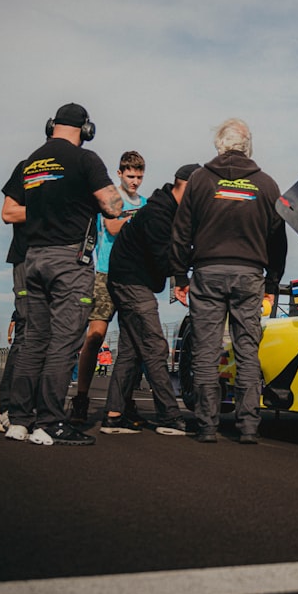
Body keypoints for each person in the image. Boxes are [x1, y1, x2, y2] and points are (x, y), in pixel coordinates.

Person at [2, 103, 122, 446]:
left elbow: (11, 210)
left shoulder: (32, 161)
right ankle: (50, 422)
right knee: (64, 342)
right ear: (86, 129)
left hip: (34, 257)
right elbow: (112, 206)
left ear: (52, 125)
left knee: (32, 342)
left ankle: (19, 420)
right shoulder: (85, 159)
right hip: (69, 260)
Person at [170, 119, 287, 444]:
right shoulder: (266, 184)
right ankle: (248, 426)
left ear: (219, 146)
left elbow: (181, 232)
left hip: (207, 273)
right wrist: (272, 284)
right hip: (250, 275)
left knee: (206, 351)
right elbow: (278, 240)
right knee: (247, 350)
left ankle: (207, 426)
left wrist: (180, 275)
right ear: (248, 147)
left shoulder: (199, 180)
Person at [102, 163, 199, 436]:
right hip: (131, 282)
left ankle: (113, 415)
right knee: (156, 347)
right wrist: (193, 263)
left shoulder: (169, 209)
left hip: (129, 279)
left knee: (131, 351)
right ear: (188, 188)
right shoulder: (159, 215)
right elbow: (165, 260)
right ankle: (169, 416)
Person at [69, 151, 148, 424]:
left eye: (139, 176)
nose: (135, 181)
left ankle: (123, 400)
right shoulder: (111, 198)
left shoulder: (146, 203)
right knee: (95, 337)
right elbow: (113, 227)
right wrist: (139, 221)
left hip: (133, 277)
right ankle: (81, 398)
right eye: (130, 176)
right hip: (104, 274)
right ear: (120, 174)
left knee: (132, 343)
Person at [0, 184, 28, 433]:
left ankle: (28, 406)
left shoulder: (74, 169)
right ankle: (7, 409)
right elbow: (8, 213)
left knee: (50, 336)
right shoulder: (28, 168)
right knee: (26, 332)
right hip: (27, 258)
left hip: (59, 262)